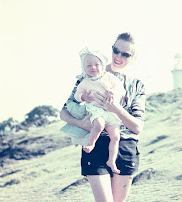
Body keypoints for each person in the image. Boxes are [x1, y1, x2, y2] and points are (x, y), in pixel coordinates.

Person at [60, 32, 145, 202]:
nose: (118, 56)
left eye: (125, 54)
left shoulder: (137, 85)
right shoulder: (88, 75)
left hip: (125, 146)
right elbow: (64, 112)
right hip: (95, 145)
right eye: (116, 50)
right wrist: (86, 126)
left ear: (132, 57)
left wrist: (114, 108)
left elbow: (137, 127)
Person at [68, 47, 126, 174]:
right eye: (89, 65)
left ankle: (111, 161)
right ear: (84, 68)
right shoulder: (85, 82)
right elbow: (77, 95)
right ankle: (91, 143)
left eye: (96, 64)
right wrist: (83, 97)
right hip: (96, 110)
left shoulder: (109, 77)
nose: (93, 67)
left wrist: (112, 92)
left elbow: (120, 89)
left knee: (116, 136)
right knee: (99, 124)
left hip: (110, 111)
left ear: (102, 65)